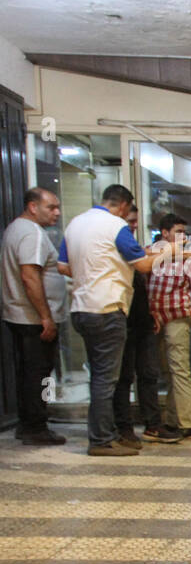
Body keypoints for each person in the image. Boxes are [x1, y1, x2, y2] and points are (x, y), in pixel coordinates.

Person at [61, 185, 191, 456]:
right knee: (109, 379)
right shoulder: (115, 226)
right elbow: (143, 265)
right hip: (107, 308)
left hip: (81, 309)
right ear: (124, 206)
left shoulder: (75, 224)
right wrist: (174, 251)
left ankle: (109, 433)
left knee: (100, 378)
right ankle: (102, 439)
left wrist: (92, 275)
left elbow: (62, 265)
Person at [2, 187, 69, 445]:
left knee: (30, 373)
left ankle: (30, 422)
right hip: (33, 319)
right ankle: (37, 426)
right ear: (33, 207)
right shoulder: (32, 234)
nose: (56, 212)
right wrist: (46, 317)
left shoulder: (15, 229)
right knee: (41, 375)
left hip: (21, 316)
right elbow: (30, 276)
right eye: (51, 207)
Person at [112, 205, 178, 447]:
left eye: (135, 222)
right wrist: (174, 252)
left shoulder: (133, 247)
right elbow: (144, 264)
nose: (133, 225)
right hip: (122, 321)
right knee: (124, 376)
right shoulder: (115, 247)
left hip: (143, 321)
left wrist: (153, 313)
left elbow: (144, 282)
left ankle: (153, 425)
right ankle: (124, 427)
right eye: (129, 221)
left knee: (149, 374)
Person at [148, 213, 191, 440]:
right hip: (155, 319)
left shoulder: (188, 261)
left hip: (178, 317)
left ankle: (187, 423)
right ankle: (172, 421)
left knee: (179, 370)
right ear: (164, 233)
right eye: (178, 231)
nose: (183, 236)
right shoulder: (151, 254)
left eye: (185, 232)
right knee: (165, 372)